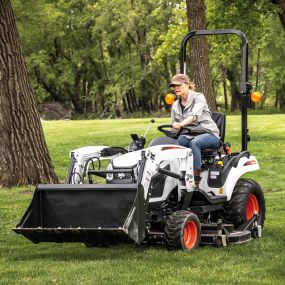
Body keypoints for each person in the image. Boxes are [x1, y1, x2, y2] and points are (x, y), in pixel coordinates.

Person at [169, 74, 220, 189]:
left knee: (195, 143)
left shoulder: (198, 97)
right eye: (174, 86)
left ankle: (195, 179)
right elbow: (173, 123)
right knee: (179, 141)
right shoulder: (175, 105)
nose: (176, 88)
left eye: (179, 85)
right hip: (189, 135)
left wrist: (181, 124)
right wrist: (172, 130)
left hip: (208, 133)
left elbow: (194, 116)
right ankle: (179, 174)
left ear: (187, 85)